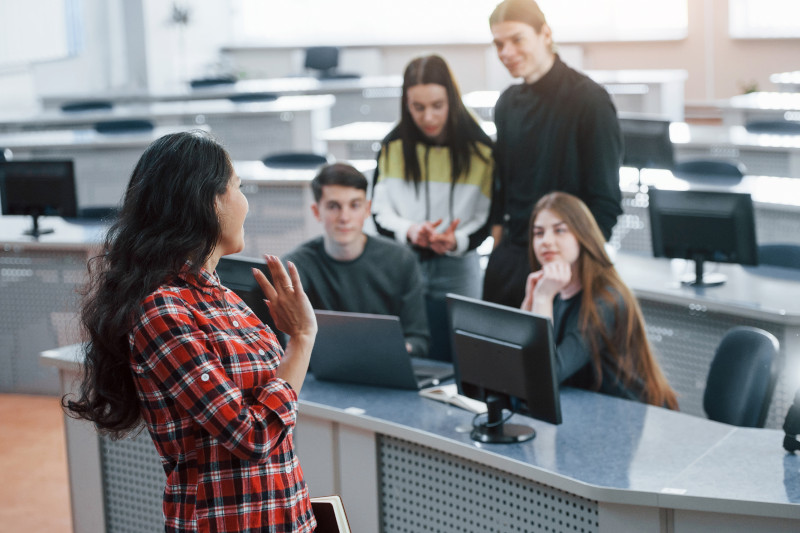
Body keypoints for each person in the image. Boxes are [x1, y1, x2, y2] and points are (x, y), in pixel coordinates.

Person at [63, 131, 318, 532]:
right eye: (238, 187)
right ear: (208, 201)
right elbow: (252, 437)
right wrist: (301, 340)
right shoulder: (161, 310)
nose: (246, 202)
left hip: (285, 517)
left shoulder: (223, 296)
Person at [484, 0, 624, 308]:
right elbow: (502, 189)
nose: (506, 52)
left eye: (517, 39)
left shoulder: (590, 101)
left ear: (545, 34)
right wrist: (498, 249)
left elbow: (605, 201)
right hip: (511, 258)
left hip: (565, 267)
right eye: (499, 44)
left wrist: (577, 272)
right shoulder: (507, 103)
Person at [372, 54, 493, 359]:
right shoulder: (392, 146)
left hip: (459, 266)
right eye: (418, 107)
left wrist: (458, 239)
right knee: (411, 351)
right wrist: (411, 231)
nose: (428, 117)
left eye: (437, 106)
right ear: (406, 104)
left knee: (466, 353)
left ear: (452, 99)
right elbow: (379, 212)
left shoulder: (481, 149)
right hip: (406, 262)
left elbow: (487, 215)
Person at [522, 191, 678, 408]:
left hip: (624, 416)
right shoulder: (556, 291)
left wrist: (543, 298)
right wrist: (529, 307)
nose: (546, 241)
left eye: (559, 230)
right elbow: (523, 368)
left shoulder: (606, 301)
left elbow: (544, 377)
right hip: (583, 409)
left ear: (582, 235)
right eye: (538, 233)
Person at [283, 162, 430, 357]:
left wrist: (381, 352)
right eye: (334, 206)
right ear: (316, 211)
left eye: (354, 205)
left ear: (367, 209)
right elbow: (290, 343)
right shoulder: (295, 267)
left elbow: (418, 340)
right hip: (321, 377)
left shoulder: (401, 260)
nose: (345, 217)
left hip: (385, 366)